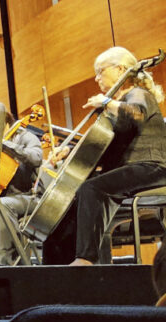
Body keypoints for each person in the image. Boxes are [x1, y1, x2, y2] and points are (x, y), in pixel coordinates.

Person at [61, 47, 166, 265]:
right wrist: (68, 152)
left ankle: (86, 260)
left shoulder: (138, 93)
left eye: (100, 71)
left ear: (120, 70)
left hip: (153, 166)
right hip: (136, 170)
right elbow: (107, 148)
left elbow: (137, 113)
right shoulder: (118, 106)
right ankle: (83, 263)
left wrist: (108, 103)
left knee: (92, 188)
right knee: (84, 195)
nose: (96, 77)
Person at [0, 107, 45, 266]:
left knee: (4, 204)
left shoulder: (25, 136)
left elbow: (36, 158)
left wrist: (6, 145)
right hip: (3, 200)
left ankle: (5, 263)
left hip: (31, 198)